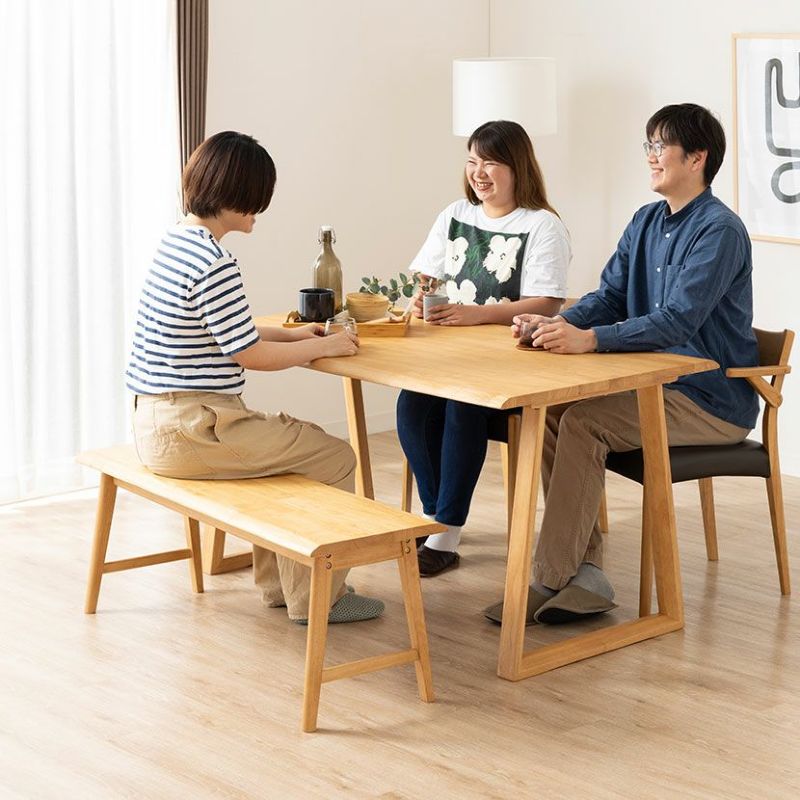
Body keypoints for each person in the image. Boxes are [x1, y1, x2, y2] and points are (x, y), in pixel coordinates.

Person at [484, 103, 760, 626]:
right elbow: (609, 296)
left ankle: (550, 577)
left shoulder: (720, 231)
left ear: (696, 157)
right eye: (648, 145)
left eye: (660, 146)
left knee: (585, 422)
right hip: (655, 389)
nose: (651, 156)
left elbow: (677, 320)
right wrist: (554, 324)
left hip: (709, 400)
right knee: (553, 414)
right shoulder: (645, 220)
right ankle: (583, 574)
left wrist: (591, 340)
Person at [126, 131, 384, 624]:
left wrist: (293, 334)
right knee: (333, 456)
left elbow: (230, 333)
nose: (261, 209)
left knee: (294, 453)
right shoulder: (214, 263)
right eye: (259, 195)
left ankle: (283, 588)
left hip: (156, 422)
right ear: (236, 191)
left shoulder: (176, 244)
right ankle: (320, 599)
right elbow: (250, 355)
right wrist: (325, 345)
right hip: (195, 429)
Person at [397, 120, 571, 577]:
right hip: (448, 355)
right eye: (472, 161)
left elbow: (547, 303)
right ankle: (437, 516)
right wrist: (421, 297)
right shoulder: (456, 214)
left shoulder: (542, 225)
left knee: (461, 408)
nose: (478, 173)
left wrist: (474, 314)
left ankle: (446, 533)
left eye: (490, 163)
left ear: (518, 167)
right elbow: (427, 278)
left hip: (508, 363)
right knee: (411, 407)